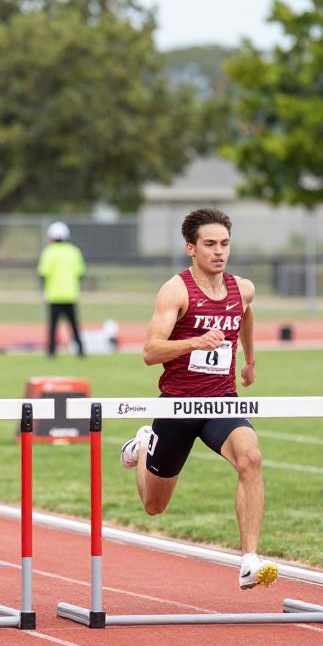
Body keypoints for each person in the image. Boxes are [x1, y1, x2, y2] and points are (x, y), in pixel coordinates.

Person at [118, 208, 277, 591]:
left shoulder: (243, 288)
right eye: (209, 244)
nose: (218, 252)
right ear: (191, 248)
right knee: (154, 506)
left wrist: (250, 359)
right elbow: (150, 351)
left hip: (221, 400)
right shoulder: (176, 291)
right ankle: (142, 446)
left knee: (251, 458)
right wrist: (195, 342)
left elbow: (246, 313)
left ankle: (249, 560)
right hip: (176, 404)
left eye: (224, 244)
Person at [38, 221, 86, 356]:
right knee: (74, 325)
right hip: (70, 294)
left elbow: (43, 273)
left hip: (54, 295)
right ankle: (81, 350)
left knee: (53, 326)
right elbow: (80, 273)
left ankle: (51, 351)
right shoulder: (74, 251)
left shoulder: (48, 252)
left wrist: (43, 291)